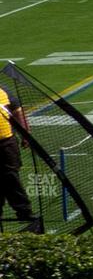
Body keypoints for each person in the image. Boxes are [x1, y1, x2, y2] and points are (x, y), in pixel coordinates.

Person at [0, 81, 36, 233]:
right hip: (7, 143)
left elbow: (17, 111)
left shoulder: (3, 90)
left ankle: (24, 211)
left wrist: (25, 133)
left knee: (10, 176)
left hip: (6, 142)